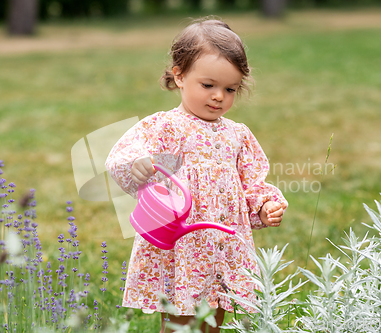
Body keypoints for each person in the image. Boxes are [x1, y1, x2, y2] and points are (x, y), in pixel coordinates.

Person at [105, 17, 288, 333]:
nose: (219, 96)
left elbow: (251, 181)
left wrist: (264, 205)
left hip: (221, 245)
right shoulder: (166, 128)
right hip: (182, 245)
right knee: (180, 322)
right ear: (179, 76)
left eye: (230, 89)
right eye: (208, 86)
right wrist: (141, 164)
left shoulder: (238, 134)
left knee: (214, 317)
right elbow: (122, 159)